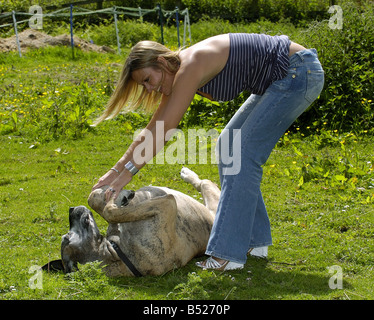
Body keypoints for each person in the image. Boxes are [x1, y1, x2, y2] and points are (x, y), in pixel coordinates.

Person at [92, 33, 324, 271]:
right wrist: (114, 172)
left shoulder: (190, 66)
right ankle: (256, 242)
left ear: (161, 62)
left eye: (148, 80)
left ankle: (228, 255)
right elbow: (152, 129)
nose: (150, 89)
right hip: (285, 76)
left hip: (297, 72)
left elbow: (165, 131)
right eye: (144, 85)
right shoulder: (177, 74)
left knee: (240, 154)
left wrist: (126, 176)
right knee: (228, 146)